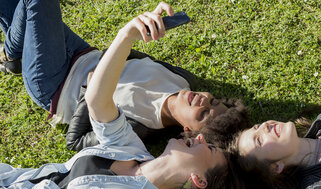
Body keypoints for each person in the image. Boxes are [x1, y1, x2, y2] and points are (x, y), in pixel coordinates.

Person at [0, 3, 248, 189]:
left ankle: (11, 55)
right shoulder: (134, 152)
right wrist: (128, 34)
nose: (203, 138)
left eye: (211, 149)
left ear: (199, 180)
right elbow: (97, 102)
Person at [0, 0, 232, 151]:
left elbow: (76, 141)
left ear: (188, 131)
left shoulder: (140, 127)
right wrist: (139, 34)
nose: (203, 101)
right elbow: (134, 57)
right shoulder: (183, 79)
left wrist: (88, 88)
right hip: (82, 51)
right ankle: (14, 54)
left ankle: (9, 55)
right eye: (213, 101)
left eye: (203, 113)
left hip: (55, 82)